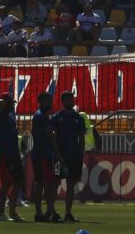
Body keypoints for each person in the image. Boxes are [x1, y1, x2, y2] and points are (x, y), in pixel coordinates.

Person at [50, 91, 85, 223]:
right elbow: (53, 137)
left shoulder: (79, 118)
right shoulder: (57, 117)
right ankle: (51, 210)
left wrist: (80, 154)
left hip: (74, 156)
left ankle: (68, 213)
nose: (72, 101)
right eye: (69, 99)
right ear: (63, 101)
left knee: (70, 184)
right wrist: (57, 154)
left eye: (73, 99)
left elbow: (81, 138)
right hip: (59, 156)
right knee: (55, 183)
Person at [0, 93, 25, 223]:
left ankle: (13, 212)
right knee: (6, 183)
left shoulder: (9, 115)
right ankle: (1, 214)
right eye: (10, 103)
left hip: (14, 153)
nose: (12, 105)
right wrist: (5, 101)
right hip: (5, 154)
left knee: (18, 181)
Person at [31, 91, 62, 223]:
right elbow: (51, 137)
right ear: (42, 101)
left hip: (39, 154)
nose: (51, 103)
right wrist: (59, 155)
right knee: (48, 184)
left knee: (40, 183)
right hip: (43, 155)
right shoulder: (41, 117)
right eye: (49, 101)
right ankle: (51, 213)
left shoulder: (39, 116)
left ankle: (40, 213)